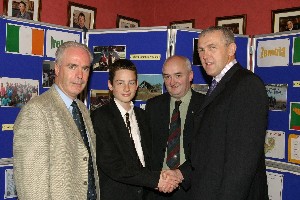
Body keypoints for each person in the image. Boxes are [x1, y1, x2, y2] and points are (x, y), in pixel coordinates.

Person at [13, 41, 100, 200]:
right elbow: (32, 188)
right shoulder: (37, 111)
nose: (80, 75)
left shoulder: (83, 110)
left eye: (85, 68)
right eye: (72, 66)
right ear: (57, 69)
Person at [191, 26, 269, 199]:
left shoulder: (247, 85)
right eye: (201, 50)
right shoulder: (219, 84)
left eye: (212, 47)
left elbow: (242, 162)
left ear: (231, 49)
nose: (205, 56)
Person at [91, 59, 182, 200]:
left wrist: (165, 176)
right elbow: (113, 165)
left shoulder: (143, 116)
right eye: (120, 83)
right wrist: (155, 180)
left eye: (131, 82)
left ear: (137, 85)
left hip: (145, 195)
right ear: (110, 85)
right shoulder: (99, 118)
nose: (126, 88)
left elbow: (149, 158)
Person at [145, 55, 205, 199]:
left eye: (178, 75)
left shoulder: (205, 106)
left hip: (192, 189)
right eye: (167, 77)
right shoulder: (153, 106)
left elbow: (208, 153)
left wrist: (181, 174)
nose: (172, 82)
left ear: (190, 76)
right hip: (157, 189)